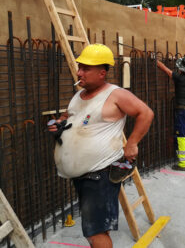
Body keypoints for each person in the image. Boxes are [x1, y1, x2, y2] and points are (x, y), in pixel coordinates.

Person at [48, 44, 154, 248]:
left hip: (100, 176)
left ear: (102, 73)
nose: (79, 72)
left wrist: (132, 143)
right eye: (80, 67)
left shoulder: (115, 94)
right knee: (94, 229)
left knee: (95, 232)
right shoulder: (79, 95)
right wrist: (59, 125)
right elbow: (69, 117)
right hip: (82, 176)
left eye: (86, 68)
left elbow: (146, 113)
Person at [156, 56, 185, 171]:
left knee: (181, 135)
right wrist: (174, 58)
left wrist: (155, 60)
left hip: (182, 111)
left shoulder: (179, 78)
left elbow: (165, 69)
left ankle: (183, 164)